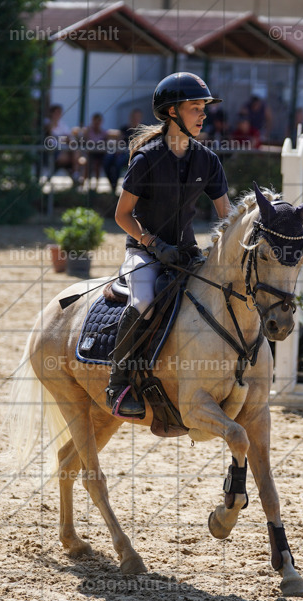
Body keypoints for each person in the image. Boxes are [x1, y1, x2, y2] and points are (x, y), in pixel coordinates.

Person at [107, 72, 232, 418]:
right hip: (144, 253)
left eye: (204, 108)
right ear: (173, 112)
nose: (203, 115)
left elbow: (228, 216)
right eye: (195, 108)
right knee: (145, 301)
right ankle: (118, 384)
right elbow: (122, 215)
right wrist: (153, 243)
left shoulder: (208, 160)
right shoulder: (146, 159)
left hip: (186, 254)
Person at [81, 113, 108, 187]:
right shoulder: (88, 131)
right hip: (89, 154)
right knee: (87, 164)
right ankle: (82, 185)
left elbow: (106, 143)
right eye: (95, 121)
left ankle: (96, 186)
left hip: (99, 154)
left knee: (97, 165)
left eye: (99, 121)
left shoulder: (103, 132)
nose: (97, 123)